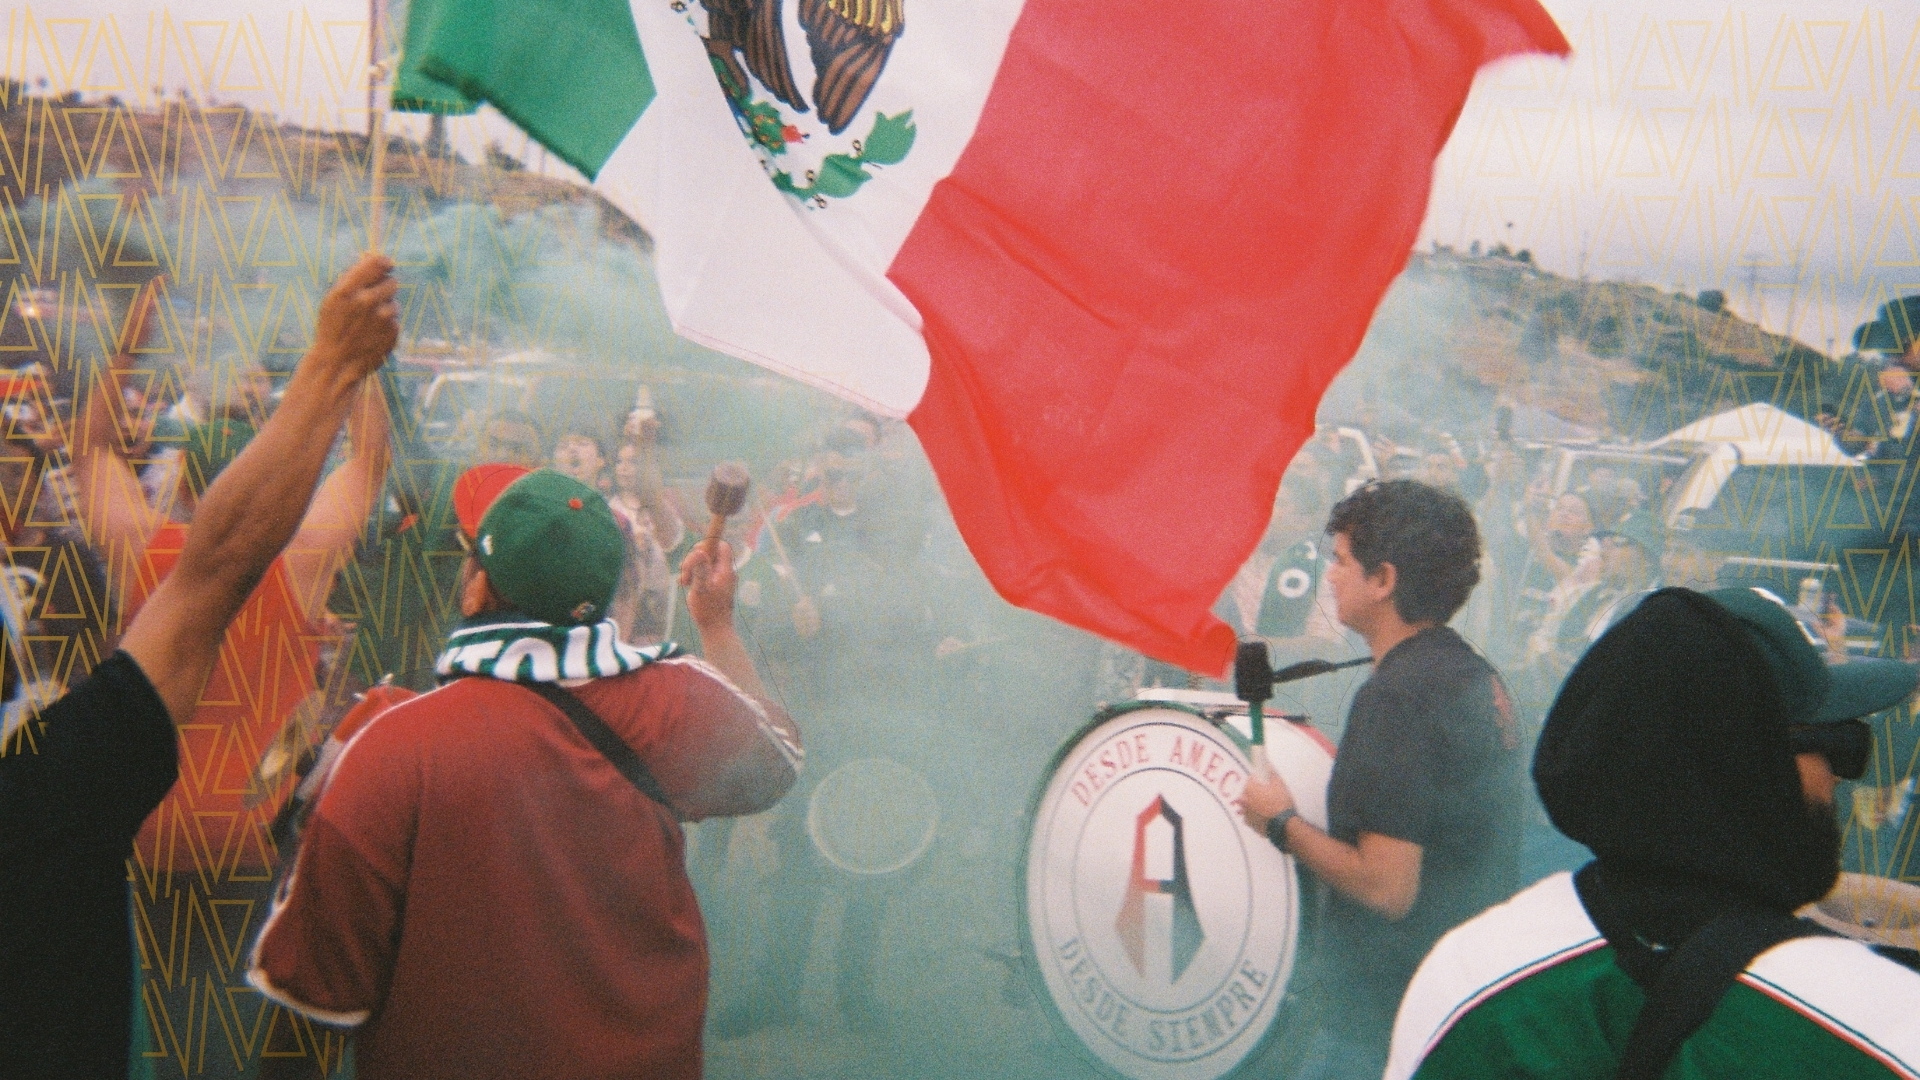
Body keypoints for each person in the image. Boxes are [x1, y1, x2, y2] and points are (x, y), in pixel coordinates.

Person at [246, 467, 803, 1080]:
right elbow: (776, 764)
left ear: (475, 589)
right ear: (611, 595)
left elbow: (314, 1003)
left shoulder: (393, 747)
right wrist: (717, 625)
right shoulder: (673, 701)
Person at [0, 252, 401, 1080]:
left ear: (185, 479)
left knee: (142, 1018)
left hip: (140, 839)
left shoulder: (144, 551)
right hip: (247, 852)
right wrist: (355, 366)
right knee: (226, 1033)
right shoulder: (301, 561)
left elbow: (91, 449)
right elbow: (368, 466)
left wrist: (127, 344)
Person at [1385, 586, 1920, 1079]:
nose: (1840, 776)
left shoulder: (1468, 975)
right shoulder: (1889, 1028)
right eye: (1840, 745)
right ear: (1751, 769)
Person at [1241, 479, 1525, 1079]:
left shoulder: (1396, 697)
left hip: (1379, 1021)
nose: (1330, 577)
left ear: (1384, 580)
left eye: (1342, 561)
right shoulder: (1472, 671)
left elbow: (1387, 889)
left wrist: (1281, 822)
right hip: (1456, 1000)